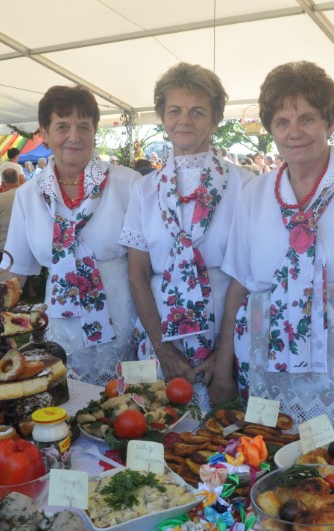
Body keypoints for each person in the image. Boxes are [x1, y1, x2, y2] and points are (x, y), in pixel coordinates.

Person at [218, 61, 334, 432]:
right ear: (271, 130)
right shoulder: (254, 193)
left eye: (307, 119)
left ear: (330, 123)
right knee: (268, 460)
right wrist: (222, 369)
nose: (294, 132)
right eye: (282, 122)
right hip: (265, 360)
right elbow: (239, 285)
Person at [119, 63, 252, 410]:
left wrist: (224, 356)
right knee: (161, 436)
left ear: (215, 119)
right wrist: (164, 350)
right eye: (174, 110)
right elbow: (137, 274)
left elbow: (245, 274)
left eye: (197, 111)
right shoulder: (143, 189)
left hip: (226, 333)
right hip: (160, 332)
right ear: (163, 117)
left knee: (227, 446)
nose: (184, 120)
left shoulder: (244, 185)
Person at [0, 85, 139, 385]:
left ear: (94, 132)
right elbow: (14, 272)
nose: (74, 137)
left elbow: (146, 266)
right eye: (62, 126)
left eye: (84, 126)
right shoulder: (28, 196)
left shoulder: (127, 184)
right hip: (59, 337)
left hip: (123, 331)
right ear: (45, 133)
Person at [0, 168, 20, 247]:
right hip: (32, 247)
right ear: (18, 180)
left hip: (7, 247)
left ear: (3, 184)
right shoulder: (31, 194)